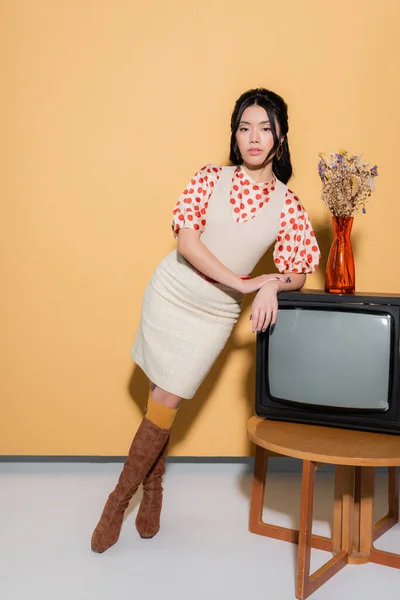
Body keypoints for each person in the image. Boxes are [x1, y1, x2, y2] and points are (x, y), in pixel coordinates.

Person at [91, 88, 321, 553]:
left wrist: (272, 284)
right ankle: (148, 492)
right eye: (244, 127)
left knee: (166, 398)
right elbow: (187, 244)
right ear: (234, 134)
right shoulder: (210, 177)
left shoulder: (289, 205)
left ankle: (119, 499)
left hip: (213, 315)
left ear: (281, 136)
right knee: (163, 396)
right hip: (171, 290)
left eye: (264, 128)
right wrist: (244, 283)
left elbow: (298, 270)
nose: (253, 138)